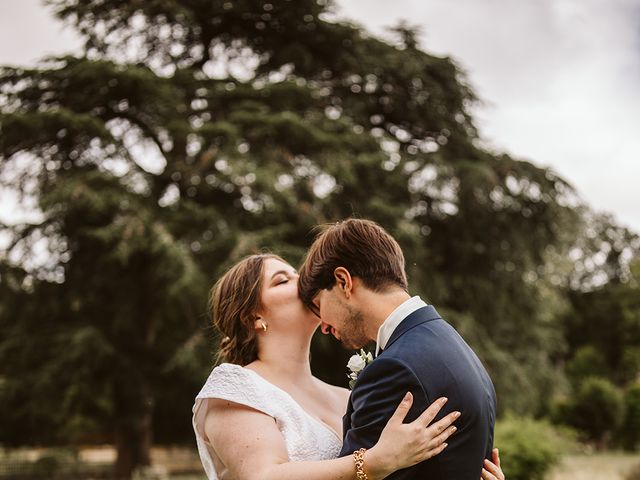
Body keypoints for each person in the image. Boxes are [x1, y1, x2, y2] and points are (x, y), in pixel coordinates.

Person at [192, 253, 505, 480]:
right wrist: (372, 463)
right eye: (282, 280)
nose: (303, 280)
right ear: (253, 317)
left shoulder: (343, 395)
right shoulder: (236, 389)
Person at [298, 218, 499, 480]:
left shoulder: (396, 369)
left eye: (317, 305)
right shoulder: (454, 346)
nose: (322, 326)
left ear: (343, 281)